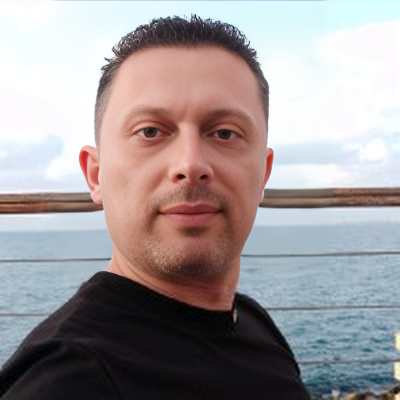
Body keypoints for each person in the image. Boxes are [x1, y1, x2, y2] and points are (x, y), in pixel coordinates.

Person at [0, 16, 310, 399]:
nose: (190, 164)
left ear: (263, 173)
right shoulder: (69, 378)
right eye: (150, 131)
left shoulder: (250, 321)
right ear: (96, 175)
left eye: (224, 133)